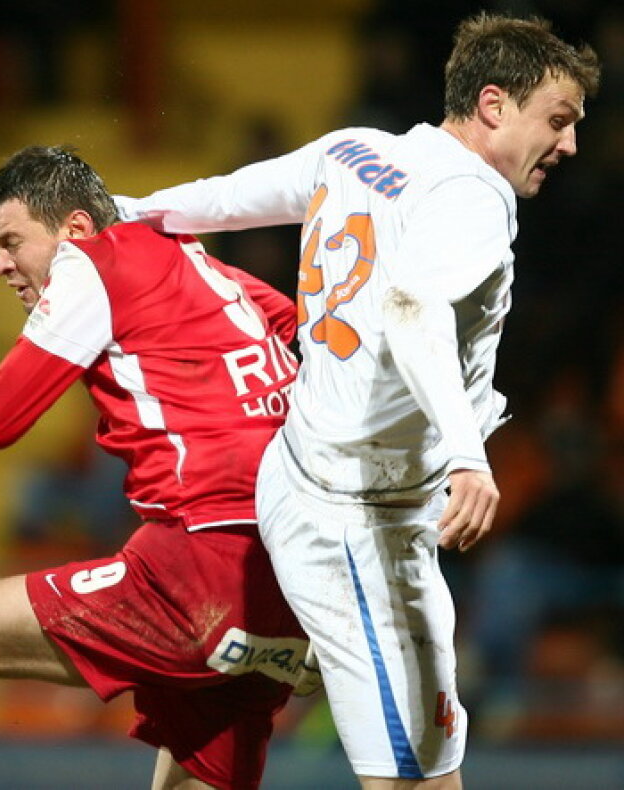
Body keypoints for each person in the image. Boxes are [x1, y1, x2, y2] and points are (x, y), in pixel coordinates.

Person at [114, 12, 600, 788]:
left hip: (299, 473)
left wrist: (115, 216)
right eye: (560, 120)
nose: (570, 145)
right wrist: (469, 458)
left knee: (226, 723)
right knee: (419, 775)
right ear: (494, 104)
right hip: (359, 522)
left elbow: (226, 199)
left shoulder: (358, 149)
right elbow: (412, 311)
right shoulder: (474, 196)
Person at [0, 145, 314, 790]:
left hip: (200, 568)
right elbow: (300, 329)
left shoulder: (93, 264)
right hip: (295, 582)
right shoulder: (200, 263)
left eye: (11, 241)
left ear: (76, 231)